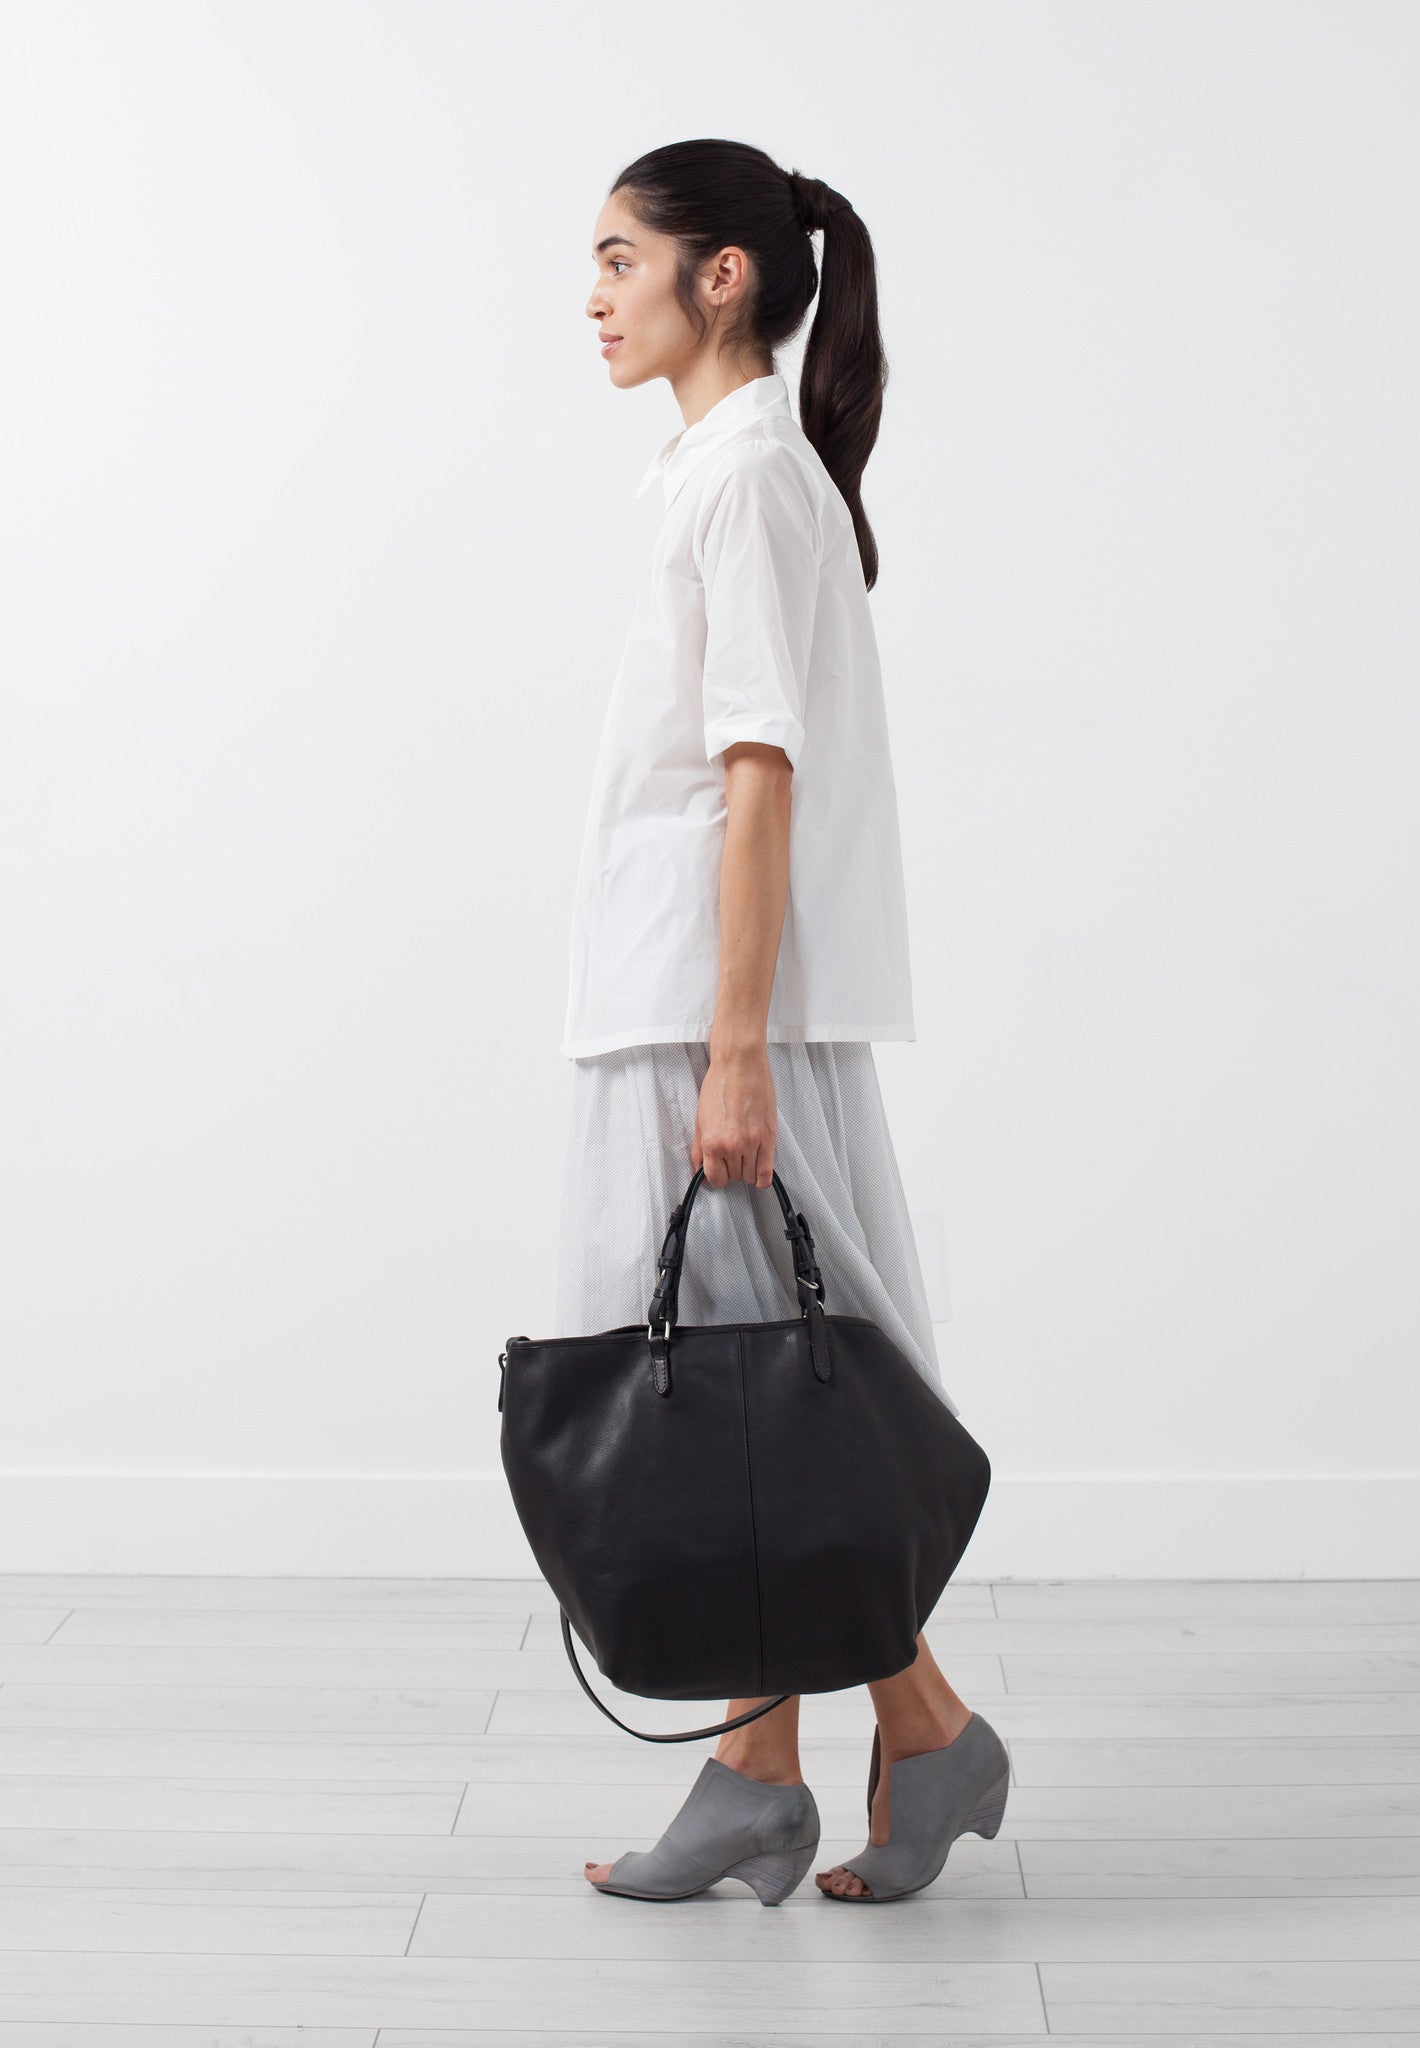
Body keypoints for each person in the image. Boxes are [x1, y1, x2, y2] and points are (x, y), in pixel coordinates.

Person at [558, 138, 1010, 1905]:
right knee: (749, 1392)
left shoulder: (746, 478)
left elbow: (761, 775)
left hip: (705, 1002)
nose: (595, 297)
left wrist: (733, 1045)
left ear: (722, 273)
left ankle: (893, 1737)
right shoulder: (729, 471)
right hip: (688, 995)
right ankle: (794, 1759)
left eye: (621, 258)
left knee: (759, 1387)